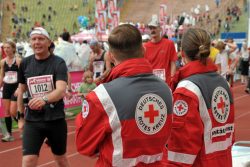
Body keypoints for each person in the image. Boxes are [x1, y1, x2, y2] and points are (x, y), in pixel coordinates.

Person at [75, 24, 173, 166]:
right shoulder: (167, 90)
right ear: (143, 50)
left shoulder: (101, 96)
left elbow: (84, 145)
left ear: (110, 56)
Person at [168, 28, 235, 166]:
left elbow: (181, 152)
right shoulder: (224, 84)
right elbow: (229, 136)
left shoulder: (186, 90)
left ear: (182, 52)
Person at [17, 27, 70, 167]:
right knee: (28, 161)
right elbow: (21, 91)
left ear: (48, 42)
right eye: (34, 39)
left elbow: (61, 90)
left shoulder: (58, 63)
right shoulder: (25, 63)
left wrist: (44, 99)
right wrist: (20, 117)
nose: (37, 42)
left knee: (61, 160)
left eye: (41, 39)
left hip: (55, 120)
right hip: (33, 121)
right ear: (30, 42)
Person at [144, 15, 177, 85]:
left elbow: (173, 63)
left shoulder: (169, 44)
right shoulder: (145, 47)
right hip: (151, 83)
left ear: (160, 29)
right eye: (150, 28)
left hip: (166, 83)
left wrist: (172, 79)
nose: (152, 30)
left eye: (154, 28)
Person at [0, 41, 21, 142]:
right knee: (7, 112)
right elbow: (1, 76)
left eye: (8, 47)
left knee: (13, 111)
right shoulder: (2, 62)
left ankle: (24, 127)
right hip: (7, 88)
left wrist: (19, 88)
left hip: (16, 88)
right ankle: (9, 135)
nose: (6, 50)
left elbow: (22, 75)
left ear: (13, 48)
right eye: (4, 48)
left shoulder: (18, 61)